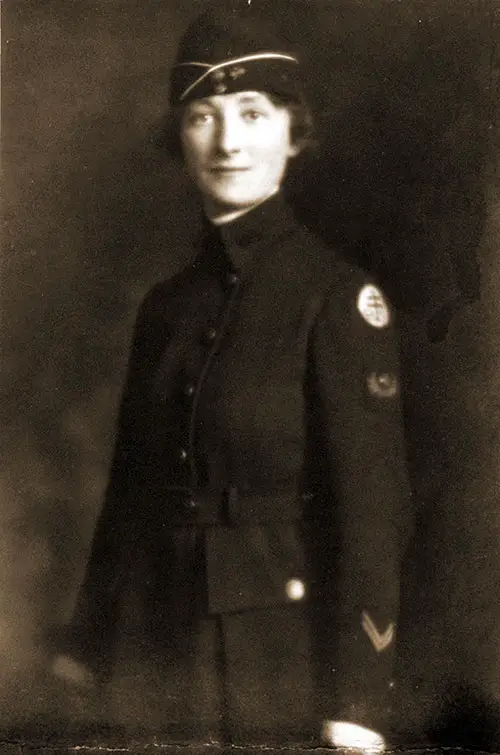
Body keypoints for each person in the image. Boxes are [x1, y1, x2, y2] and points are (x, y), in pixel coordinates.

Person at [52, 6, 414, 751]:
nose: (227, 141)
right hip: (155, 650)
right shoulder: (166, 308)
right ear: (180, 140)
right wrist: (85, 646)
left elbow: (375, 513)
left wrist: (357, 697)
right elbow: (129, 491)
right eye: (202, 117)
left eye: (252, 112)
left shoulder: (336, 298)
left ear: (292, 130)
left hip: (279, 660)